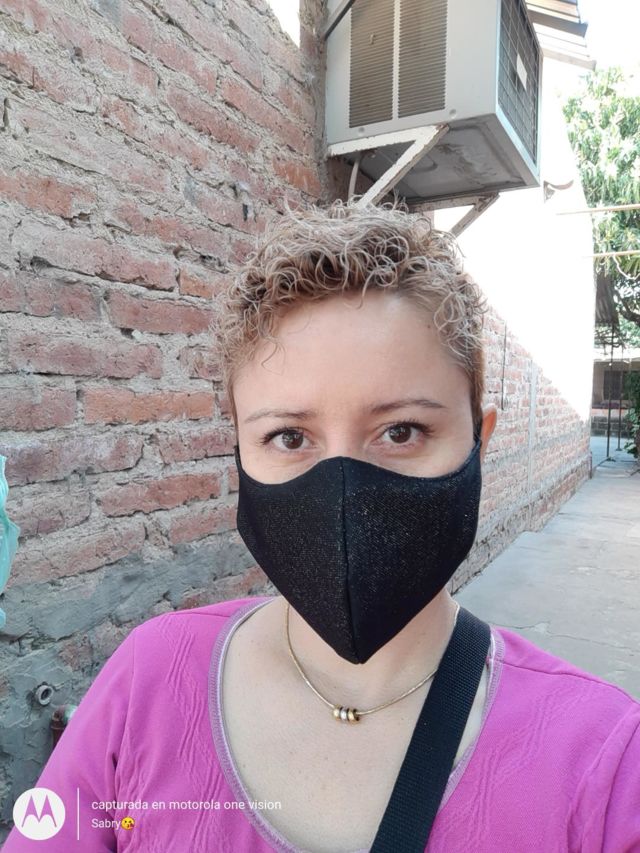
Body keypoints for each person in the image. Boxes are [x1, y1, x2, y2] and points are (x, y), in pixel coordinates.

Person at [4, 200, 639, 853]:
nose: (344, 496)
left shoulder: (604, 762)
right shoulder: (147, 682)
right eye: (289, 436)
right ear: (239, 452)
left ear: (481, 441)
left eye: (402, 431)